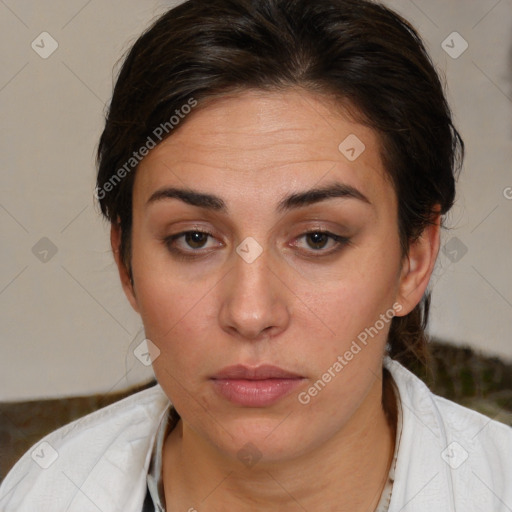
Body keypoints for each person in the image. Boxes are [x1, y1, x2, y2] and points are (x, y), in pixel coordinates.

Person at [1, 0, 511, 510]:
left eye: (318, 238)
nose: (250, 313)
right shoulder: (42, 493)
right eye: (194, 239)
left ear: (413, 261)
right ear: (125, 262)